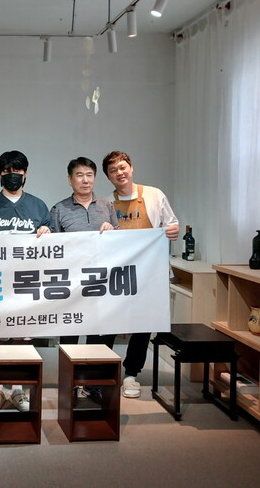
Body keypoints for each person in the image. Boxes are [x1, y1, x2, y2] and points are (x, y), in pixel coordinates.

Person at [87, 150, 179, 399]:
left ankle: (131, 374)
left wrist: (172, 231)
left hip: (150, 272)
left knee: (142, 325)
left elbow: (171, 224)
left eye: (122, 167)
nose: (120, 173)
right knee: (108, 323)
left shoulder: (154, 195)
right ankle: (102, 372)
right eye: (113, 170)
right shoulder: (106, 203)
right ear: (108, 177)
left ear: (131, 168)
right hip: (118, 274)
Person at [0, 150, 51, 413]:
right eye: (7, 171)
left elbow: (53, 243)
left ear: (25, 173)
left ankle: (18, 389)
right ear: (0, 174)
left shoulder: (38, 206)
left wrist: (47, 232)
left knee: (22, 336)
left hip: (27, 282)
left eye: (17, 170)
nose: (12, 175)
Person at [50, 156, 118, 345]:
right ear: (70, 179)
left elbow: (119, 242)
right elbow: (53, 247)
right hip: (72, 284)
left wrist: (112, 231)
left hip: (102, 282)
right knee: (69, 336)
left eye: (89, 175)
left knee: (99, 336)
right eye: (79, 175)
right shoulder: (59, 209)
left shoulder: (107, 206)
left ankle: (95, 364)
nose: (85, 180)